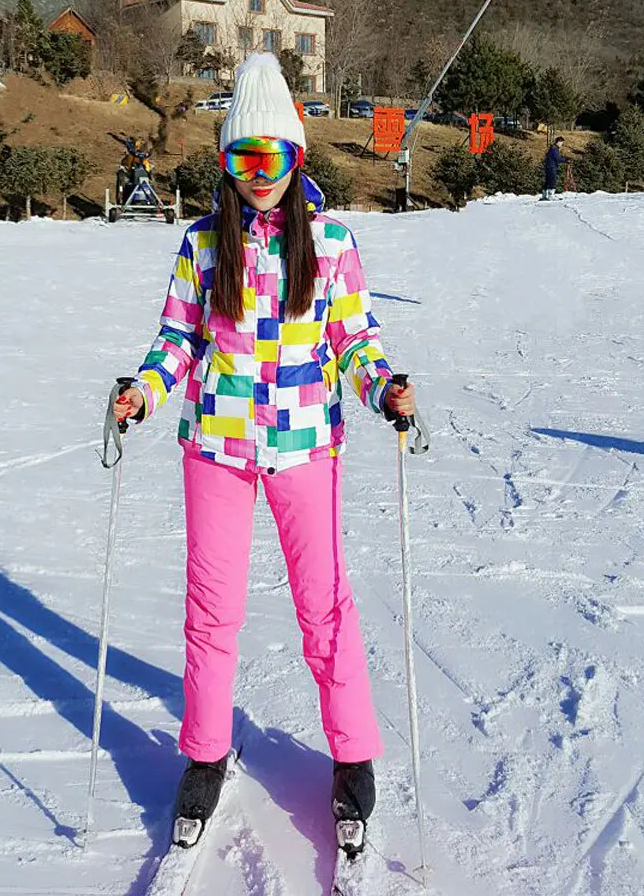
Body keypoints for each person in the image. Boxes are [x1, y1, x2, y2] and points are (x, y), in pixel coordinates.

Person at [111, 52, 416, 851]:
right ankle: (205, 750)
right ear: (226, 163)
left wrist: (382, 388)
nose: (259, 176)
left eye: (272, 158)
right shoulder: (203, 243)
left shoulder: (333, 242)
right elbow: (177, 338)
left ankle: (352, 754)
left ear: (295, 156)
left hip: (305, 443)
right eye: (243, 159)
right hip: (216, 443)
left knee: (325, 605)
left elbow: (355, 340)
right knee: (211, 608)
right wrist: (145, 391)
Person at [542, 136, 570, 200]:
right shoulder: (554, 149)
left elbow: (557, 157)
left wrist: (565, 158)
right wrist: (566, 160)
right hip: (552, 166)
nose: (561, 144)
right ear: (558, 142)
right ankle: (551, 195)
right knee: (552, 180)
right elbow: (557, 158)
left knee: (548, 180)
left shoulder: (553, 148)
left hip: (549, 166)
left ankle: (544, 195)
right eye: (561, 143)